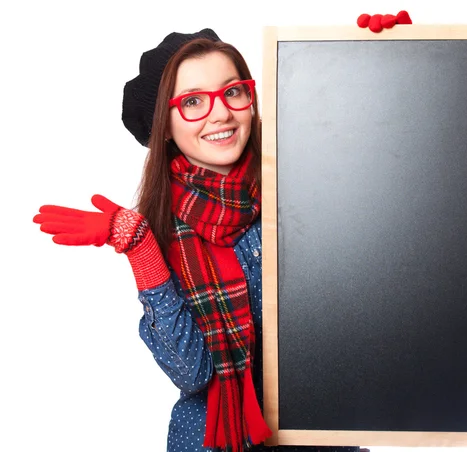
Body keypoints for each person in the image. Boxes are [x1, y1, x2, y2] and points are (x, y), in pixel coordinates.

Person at [33, 28, 361, 452]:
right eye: (192, 102)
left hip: (324, 438)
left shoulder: (313, 188)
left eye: (233, 93)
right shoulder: (164, 232)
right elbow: (193, 373)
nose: (220, 114)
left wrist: (384, 54)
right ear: (164, 127)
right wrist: (141, 249)